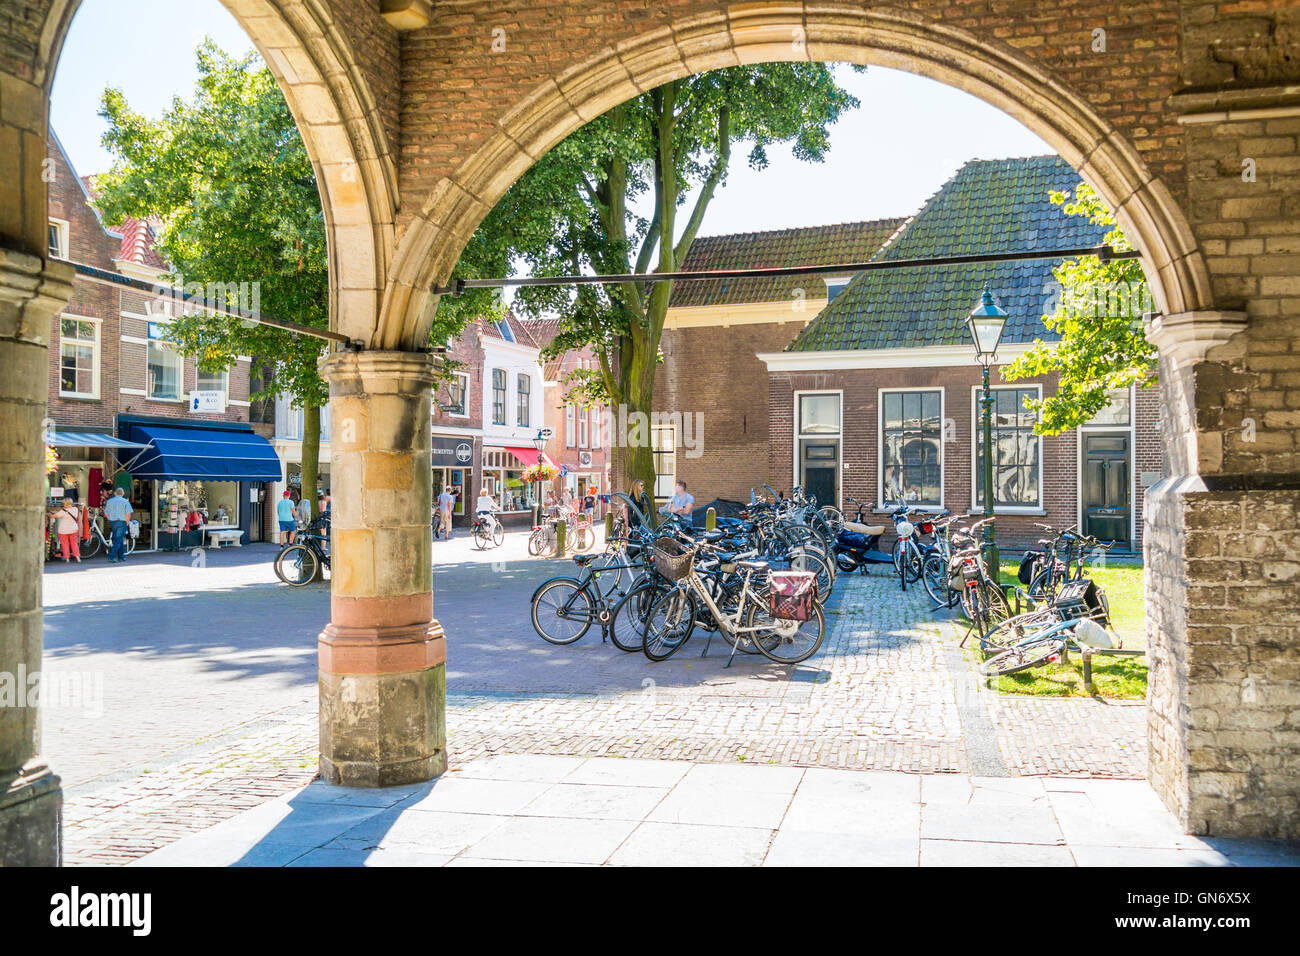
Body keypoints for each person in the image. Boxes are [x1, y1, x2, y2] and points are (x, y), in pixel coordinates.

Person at [103, 487, 133, 563]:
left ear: (115, 493)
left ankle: (121, 556)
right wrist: (126, 522)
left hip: (113, 522)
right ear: (123, 494)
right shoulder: (125, 501)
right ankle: (111, 556)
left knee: (119, 539)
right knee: (118, 540)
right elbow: (128, 514)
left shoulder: (110, 501)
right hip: (122, 522)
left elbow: (106, 513)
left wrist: (110, 519)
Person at [54, 497, 82, 563]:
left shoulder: (62, 511)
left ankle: (67, 559)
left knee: (65, 544)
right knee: (74, 543)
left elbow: (54, 516)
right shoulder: (75, 509)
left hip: (63, 530)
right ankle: (78, 558)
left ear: (65, 504)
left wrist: (49, 514)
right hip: (73, 529)